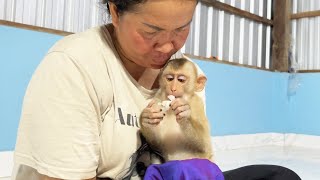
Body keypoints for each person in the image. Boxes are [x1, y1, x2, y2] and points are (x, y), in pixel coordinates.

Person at [12, 0, 301, 180]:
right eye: (150, 32)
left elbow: (197, 157)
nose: (168, 46)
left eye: (182, 29)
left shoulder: (184, 71)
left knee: (280, 176)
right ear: (115, 11)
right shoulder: (74, 65)